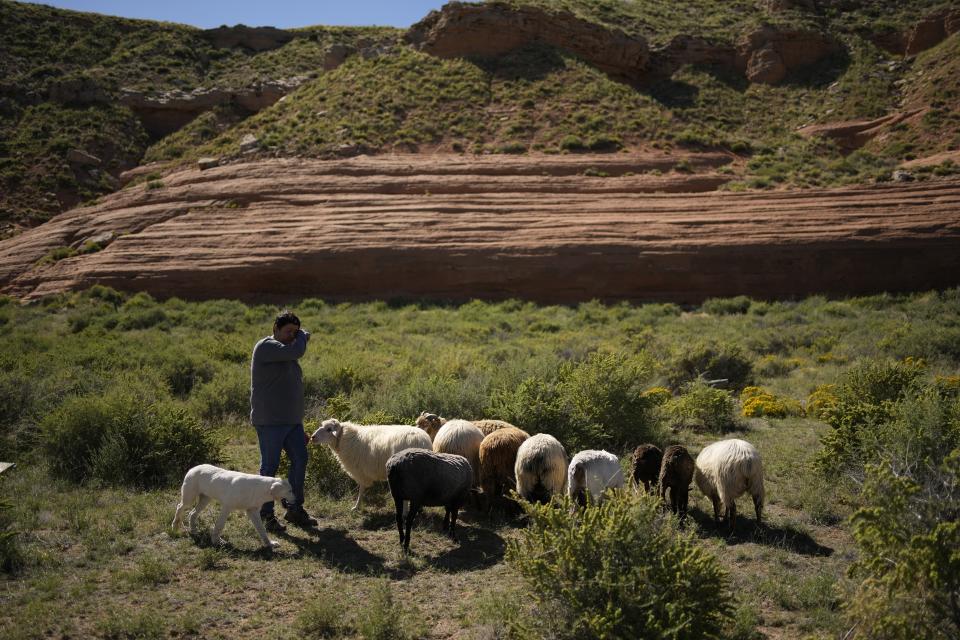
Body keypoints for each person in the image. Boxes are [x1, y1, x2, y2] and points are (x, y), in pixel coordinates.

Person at [250, 310, 317, 531]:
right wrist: (303, 336)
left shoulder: (286, 351)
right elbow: (297, 351)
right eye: (288, 331)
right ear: (275, 330)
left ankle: (295, 508)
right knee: (269, 466)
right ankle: (266, 514)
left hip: (292, 422)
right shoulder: (266, 347)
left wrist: (299, 422)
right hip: (270, 422)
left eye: (295, 332)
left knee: (300, 459)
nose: (292, 336)